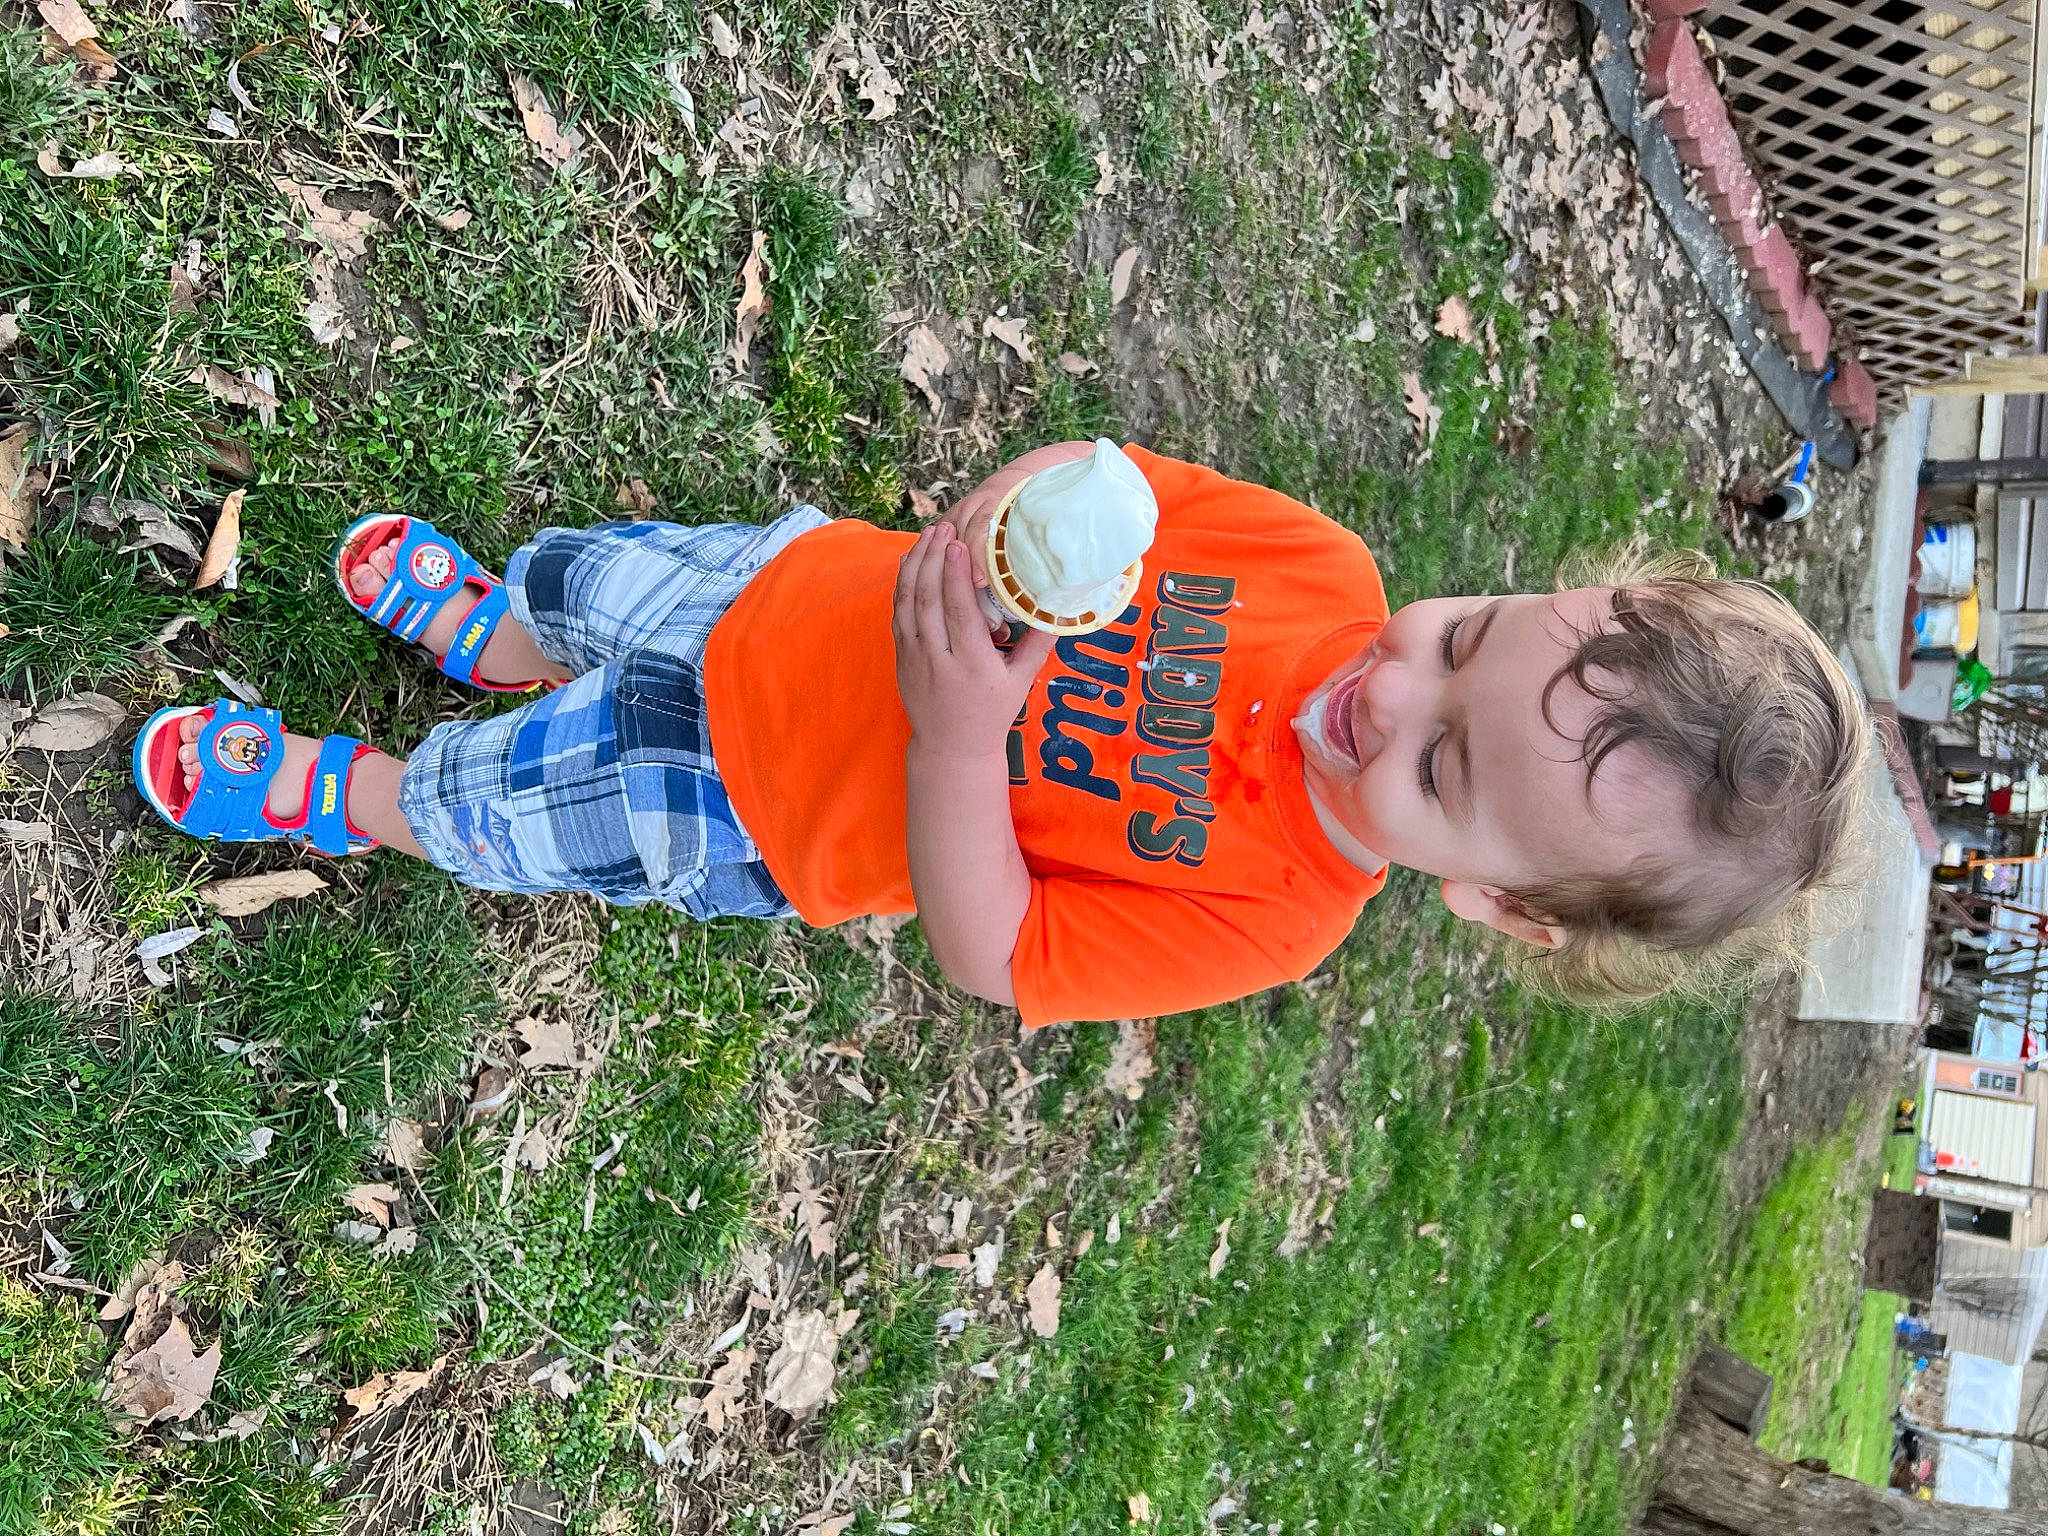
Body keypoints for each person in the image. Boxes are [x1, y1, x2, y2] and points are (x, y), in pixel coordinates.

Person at [133, 442, 1870, 1023]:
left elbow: (996, 949)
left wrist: (964, 742)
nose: (1389, 689)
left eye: (1441, 768)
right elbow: (1098, 484)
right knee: (594, 587)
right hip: (794, 597)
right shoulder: (1321, 566)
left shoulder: (1274, 917)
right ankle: (512, 639)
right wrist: (1007, 521)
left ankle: (356, 791)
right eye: (1465, 638)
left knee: (498, 813)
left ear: (1502, 903)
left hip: (752, 806)